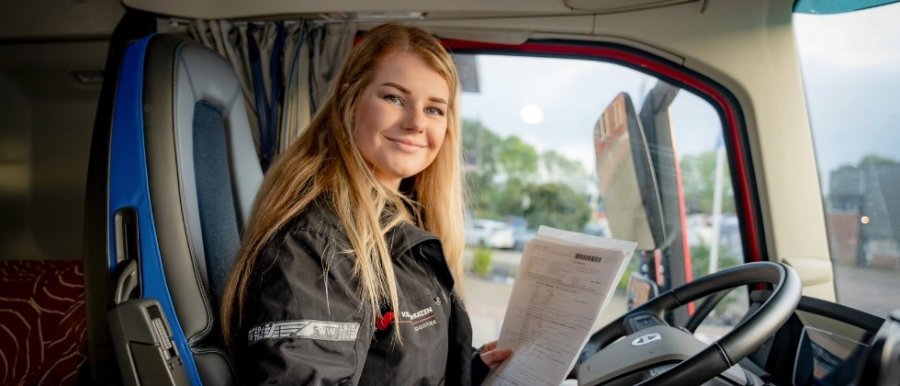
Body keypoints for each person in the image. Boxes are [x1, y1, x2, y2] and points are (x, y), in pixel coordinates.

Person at [220, 23, 511, 385]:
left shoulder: (405, 218)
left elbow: (391, 361)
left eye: (435, 109)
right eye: (394, 98)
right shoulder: (319, 244)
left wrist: (474, 366)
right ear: (351, 101)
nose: (416, 123)